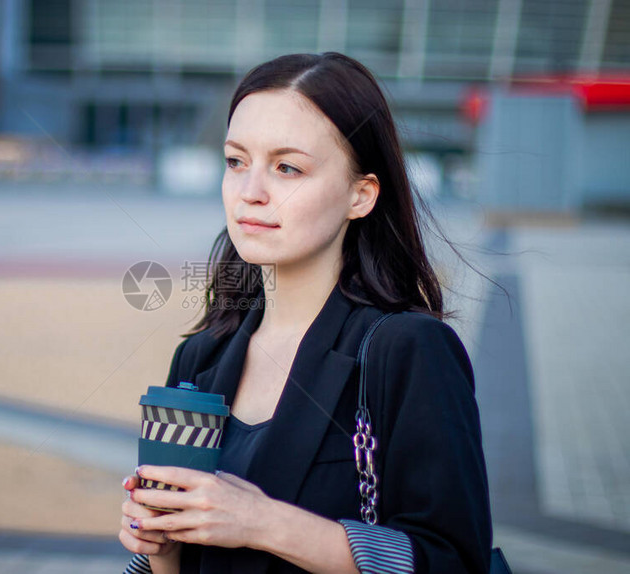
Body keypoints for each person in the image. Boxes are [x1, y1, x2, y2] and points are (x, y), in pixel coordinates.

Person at [118, 52, 492, 573]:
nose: (250, 193)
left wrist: (261, 522)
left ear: (360, 195)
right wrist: (162, 545)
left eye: (287, 167)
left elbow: (452, 561)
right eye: (235, 161)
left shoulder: (408, 350)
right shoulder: (199, 359)